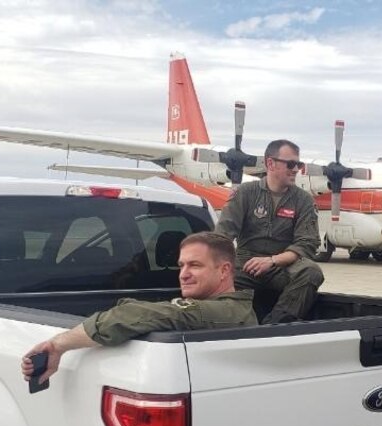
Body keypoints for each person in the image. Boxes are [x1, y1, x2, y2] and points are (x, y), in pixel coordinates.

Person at [21, 232, 257, 383]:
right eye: (181, 265)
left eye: (194, 265)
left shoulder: (226, 313)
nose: (183, 274)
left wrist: (57, 345)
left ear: (224, 270)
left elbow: (132, 316)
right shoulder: (225, 308)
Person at [215, 139, 323, 324]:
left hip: (281, 265)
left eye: (299, 164)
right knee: (218, 275)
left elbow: (307, 243)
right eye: (290, 164)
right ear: (270, 163)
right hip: (245, 264)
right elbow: (222, 235)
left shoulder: (303, 200)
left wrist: (272, 261)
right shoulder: (246, 193)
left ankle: (274, 326)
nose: (296, 169)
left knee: (311, 272)